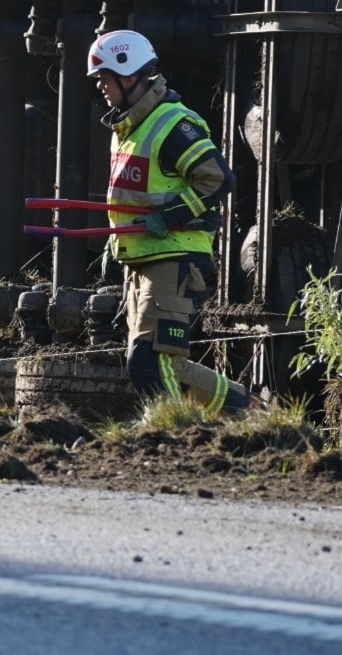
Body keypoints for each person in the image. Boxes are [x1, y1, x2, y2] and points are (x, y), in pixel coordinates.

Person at [89, 29, 257, 414]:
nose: (100, 86)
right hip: (143, 260)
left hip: (175, 259)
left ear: (129, 75)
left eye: (104, 76)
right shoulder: (127, 129)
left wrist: (170, 217)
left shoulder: (172, 123)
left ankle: (182, 432)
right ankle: (248, 413)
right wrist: (114, 239)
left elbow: (218, 179)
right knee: (152, 364)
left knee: (150, 364)